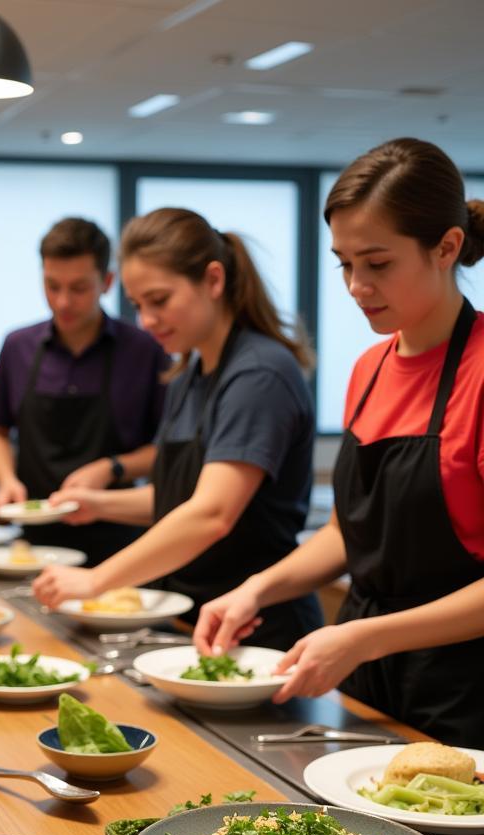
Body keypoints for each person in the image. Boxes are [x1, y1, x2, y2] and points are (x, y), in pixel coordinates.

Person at [194, 138, 484, 747]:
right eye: (344, 263)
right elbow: (349, 534)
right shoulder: (369, 367)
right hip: (365, 674)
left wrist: (365, 637)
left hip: (464, 688)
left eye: (377, 264)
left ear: (447, 247)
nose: (356, 285)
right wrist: (255, 590)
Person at [33, 208, 323, 650]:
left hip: (257, 627)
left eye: (160, 300)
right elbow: (179, 497)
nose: (146, 320)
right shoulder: (188, 375)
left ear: (212, 280)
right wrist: (99, 505)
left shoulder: (259, 374)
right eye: (138, 305)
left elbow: (211, 514)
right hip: (189, 613)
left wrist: (96, 580)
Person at [0, 217, 167, 565]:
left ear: (107, 281)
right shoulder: (17, 346)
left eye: (78, 288)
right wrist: (6, 480)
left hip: (121, 540)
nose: (63, 301)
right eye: (52, 286)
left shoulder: (146, 350)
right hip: (35, 542)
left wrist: (112, 467)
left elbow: (166, 450)